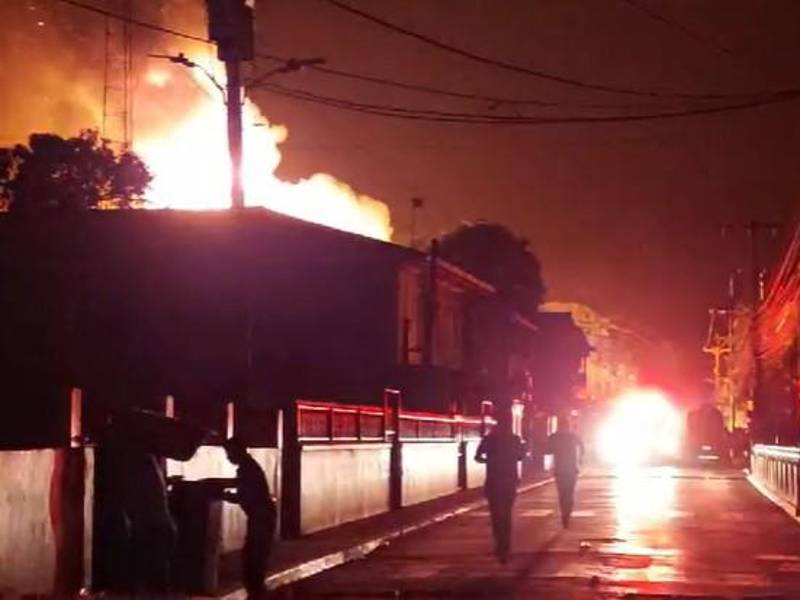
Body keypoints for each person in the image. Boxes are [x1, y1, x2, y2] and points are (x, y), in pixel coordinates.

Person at [223, 437, 277, 600]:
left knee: (253, 560)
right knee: (255, 559)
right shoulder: (248, 467)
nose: (228, 457)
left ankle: (257, 594)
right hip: (261, 517)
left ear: (238, 450)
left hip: (261, 517)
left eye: (229, 452)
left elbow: (246, 495)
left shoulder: (246, 469)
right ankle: (257, 593)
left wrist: (224, 494)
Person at [474, 409, 526, 563]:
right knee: (507, 513)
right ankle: (506, 546)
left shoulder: (489, 439)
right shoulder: (515, 439)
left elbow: (477, 457)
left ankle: (499, 544)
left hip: (493, 480)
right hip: (510, 480)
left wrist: (489, 461)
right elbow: (521, 456)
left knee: (495, 514)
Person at [545, 416, 584, 528]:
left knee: (562, 493)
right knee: (569, 492)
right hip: (571, 468)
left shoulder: (554, 437)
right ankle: (567, 512)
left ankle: (564, 514)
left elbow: (547, 450)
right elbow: (582, 448)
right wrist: (580, 459)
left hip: (560, 469)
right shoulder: (573, 436)